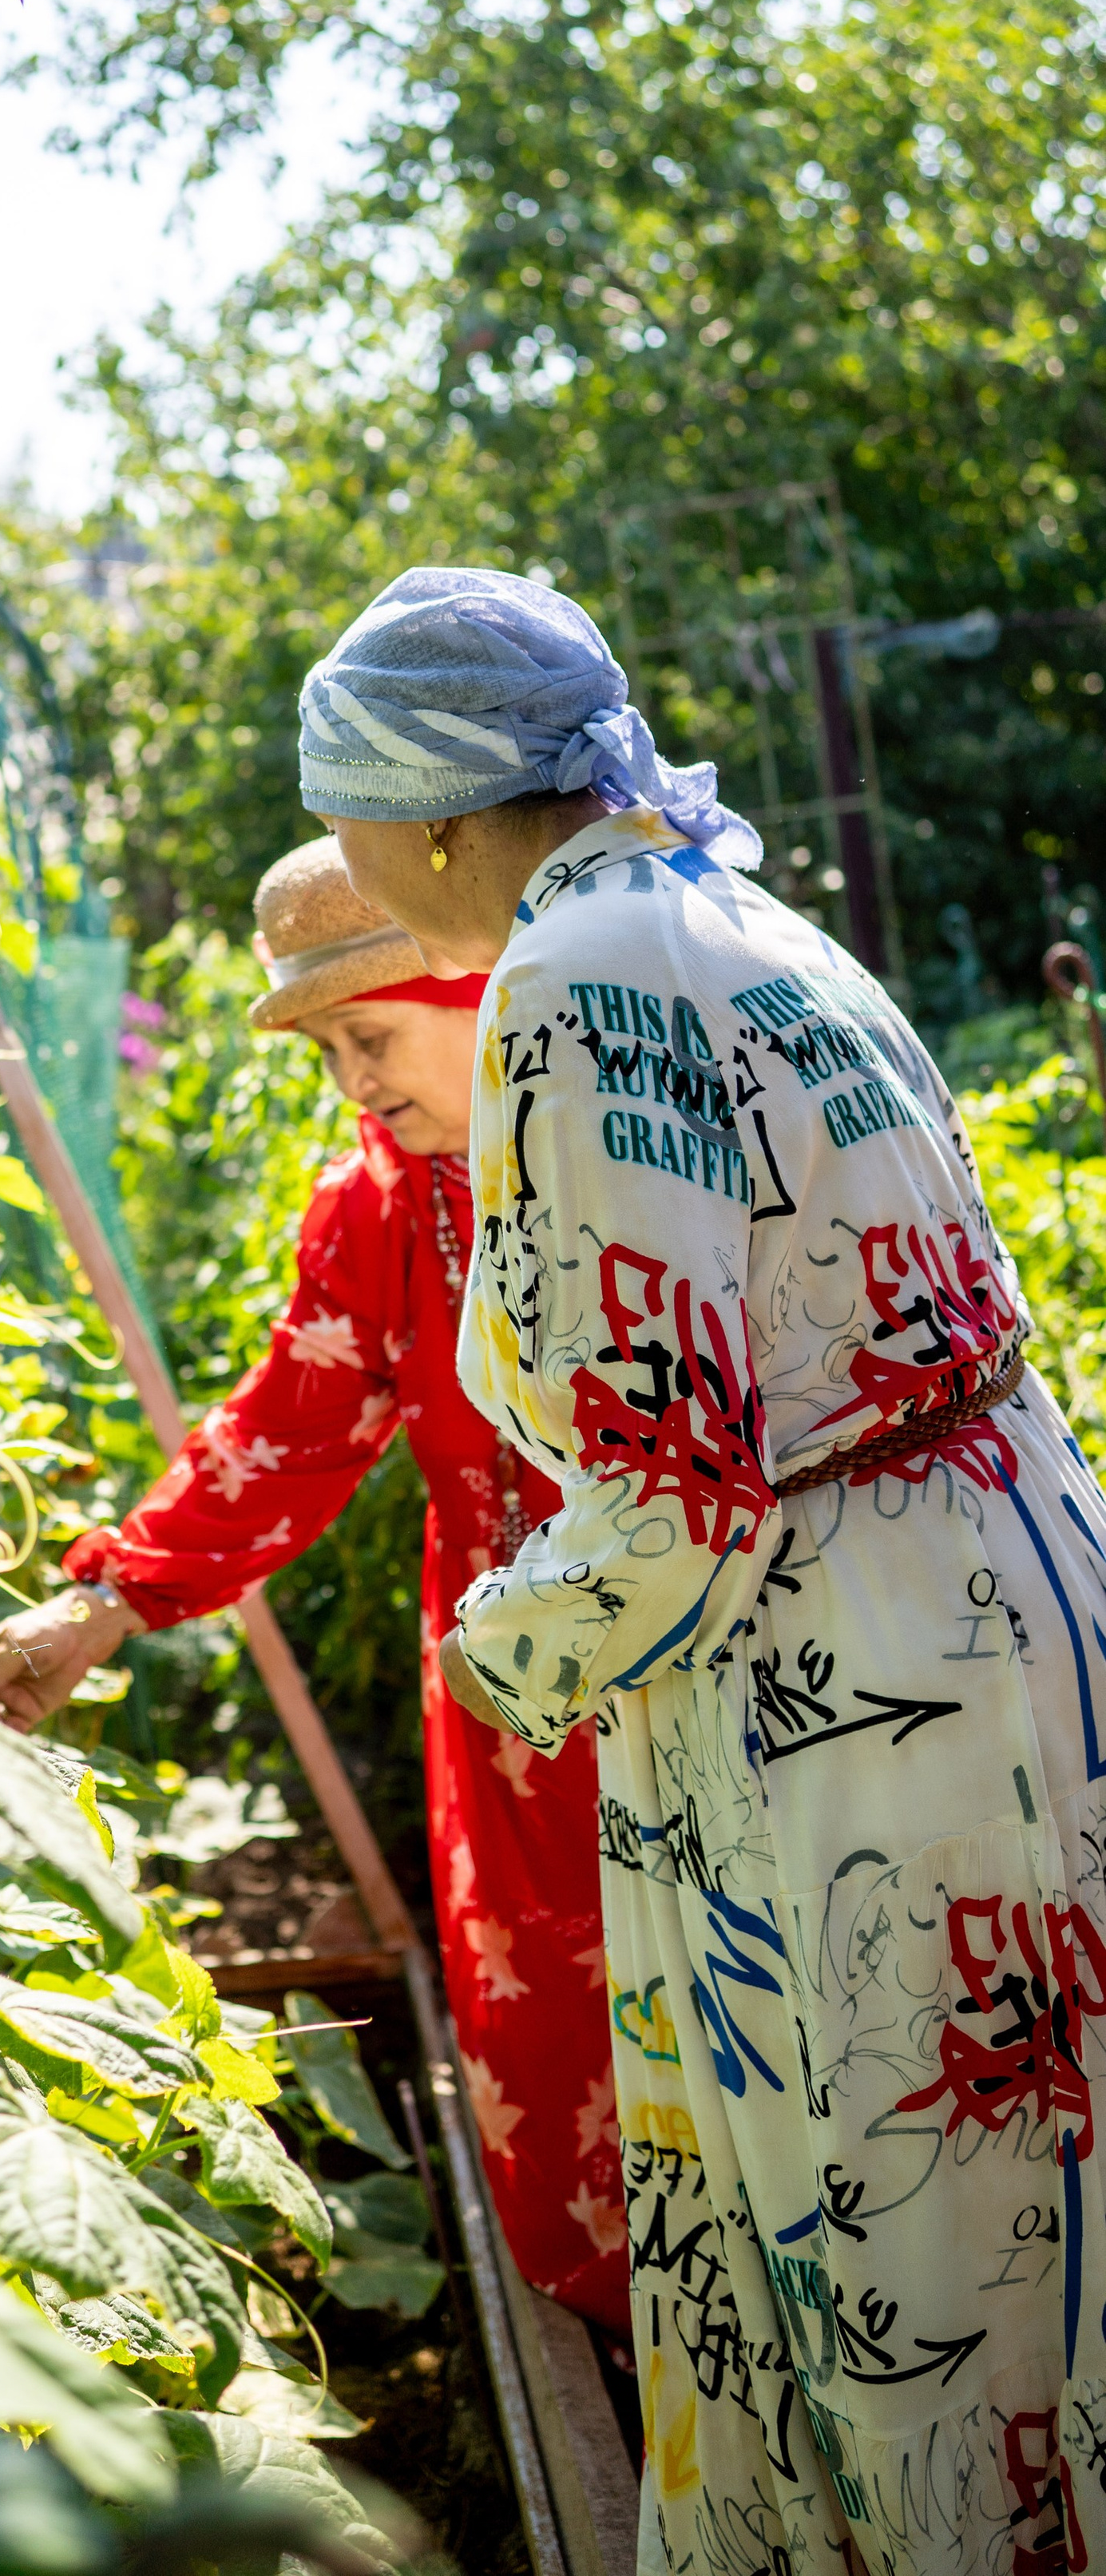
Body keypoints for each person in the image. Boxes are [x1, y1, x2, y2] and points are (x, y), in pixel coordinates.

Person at [279, 561, 1106, 2576]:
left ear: (442, 814)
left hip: (856, 1689)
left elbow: (669, 1488)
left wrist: (495, 1652)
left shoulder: (584, 972)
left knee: (901, 2245)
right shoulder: (739, 919)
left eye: (353, 814)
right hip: (991, 1595)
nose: (354, 857)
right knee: (1029, 2228)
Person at [0, 836, 631, 2341]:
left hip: (726, 1680)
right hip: (520, 1708)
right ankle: (645, 2384)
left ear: (484, 990)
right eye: (325, 1049)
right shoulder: (384, 1209)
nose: (351, 1083)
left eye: (369, 1037)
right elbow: (287, 1432)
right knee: (566, 2052)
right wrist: (108, 1600)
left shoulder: (643, 1152)